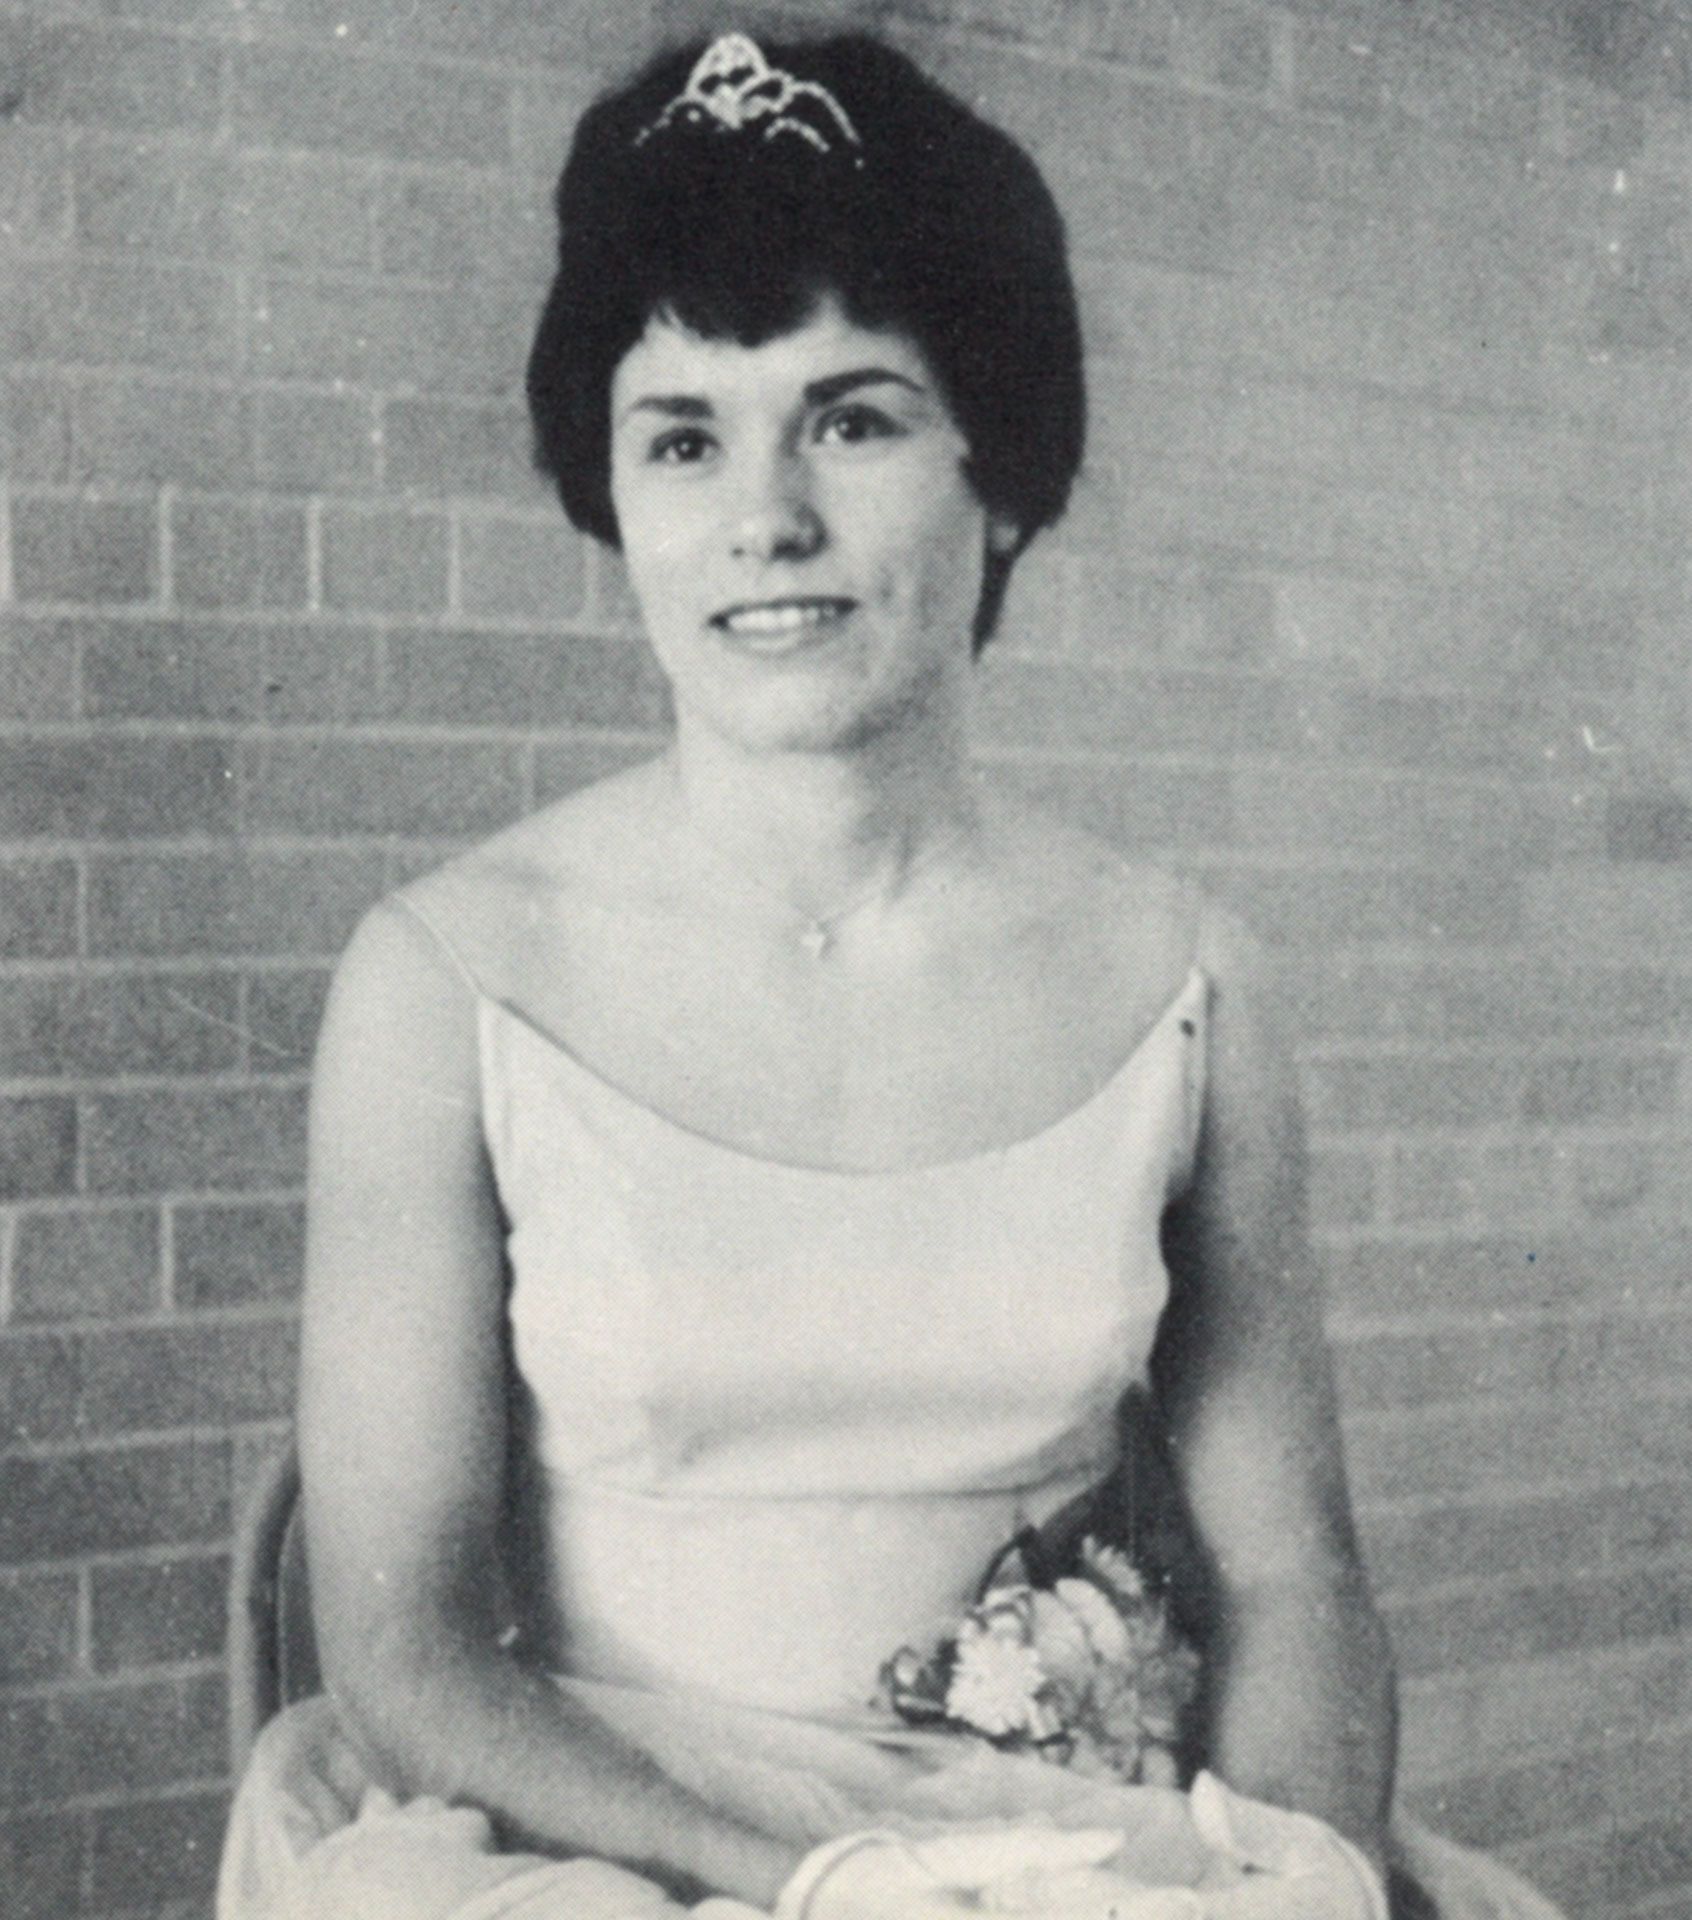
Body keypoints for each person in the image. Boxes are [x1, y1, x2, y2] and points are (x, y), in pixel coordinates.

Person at [218, 32, 1564, 1920]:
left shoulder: (1188, 982)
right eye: (682, 436)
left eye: (849, 419)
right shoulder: (445, 977)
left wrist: (1293, 1874)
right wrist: (821, 1878)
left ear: (1001, 476)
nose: (762, 519)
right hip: (604, 1844)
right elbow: (409, 1647)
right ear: (613, 494)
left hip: (1066, 1852)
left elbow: (1291, 1584)